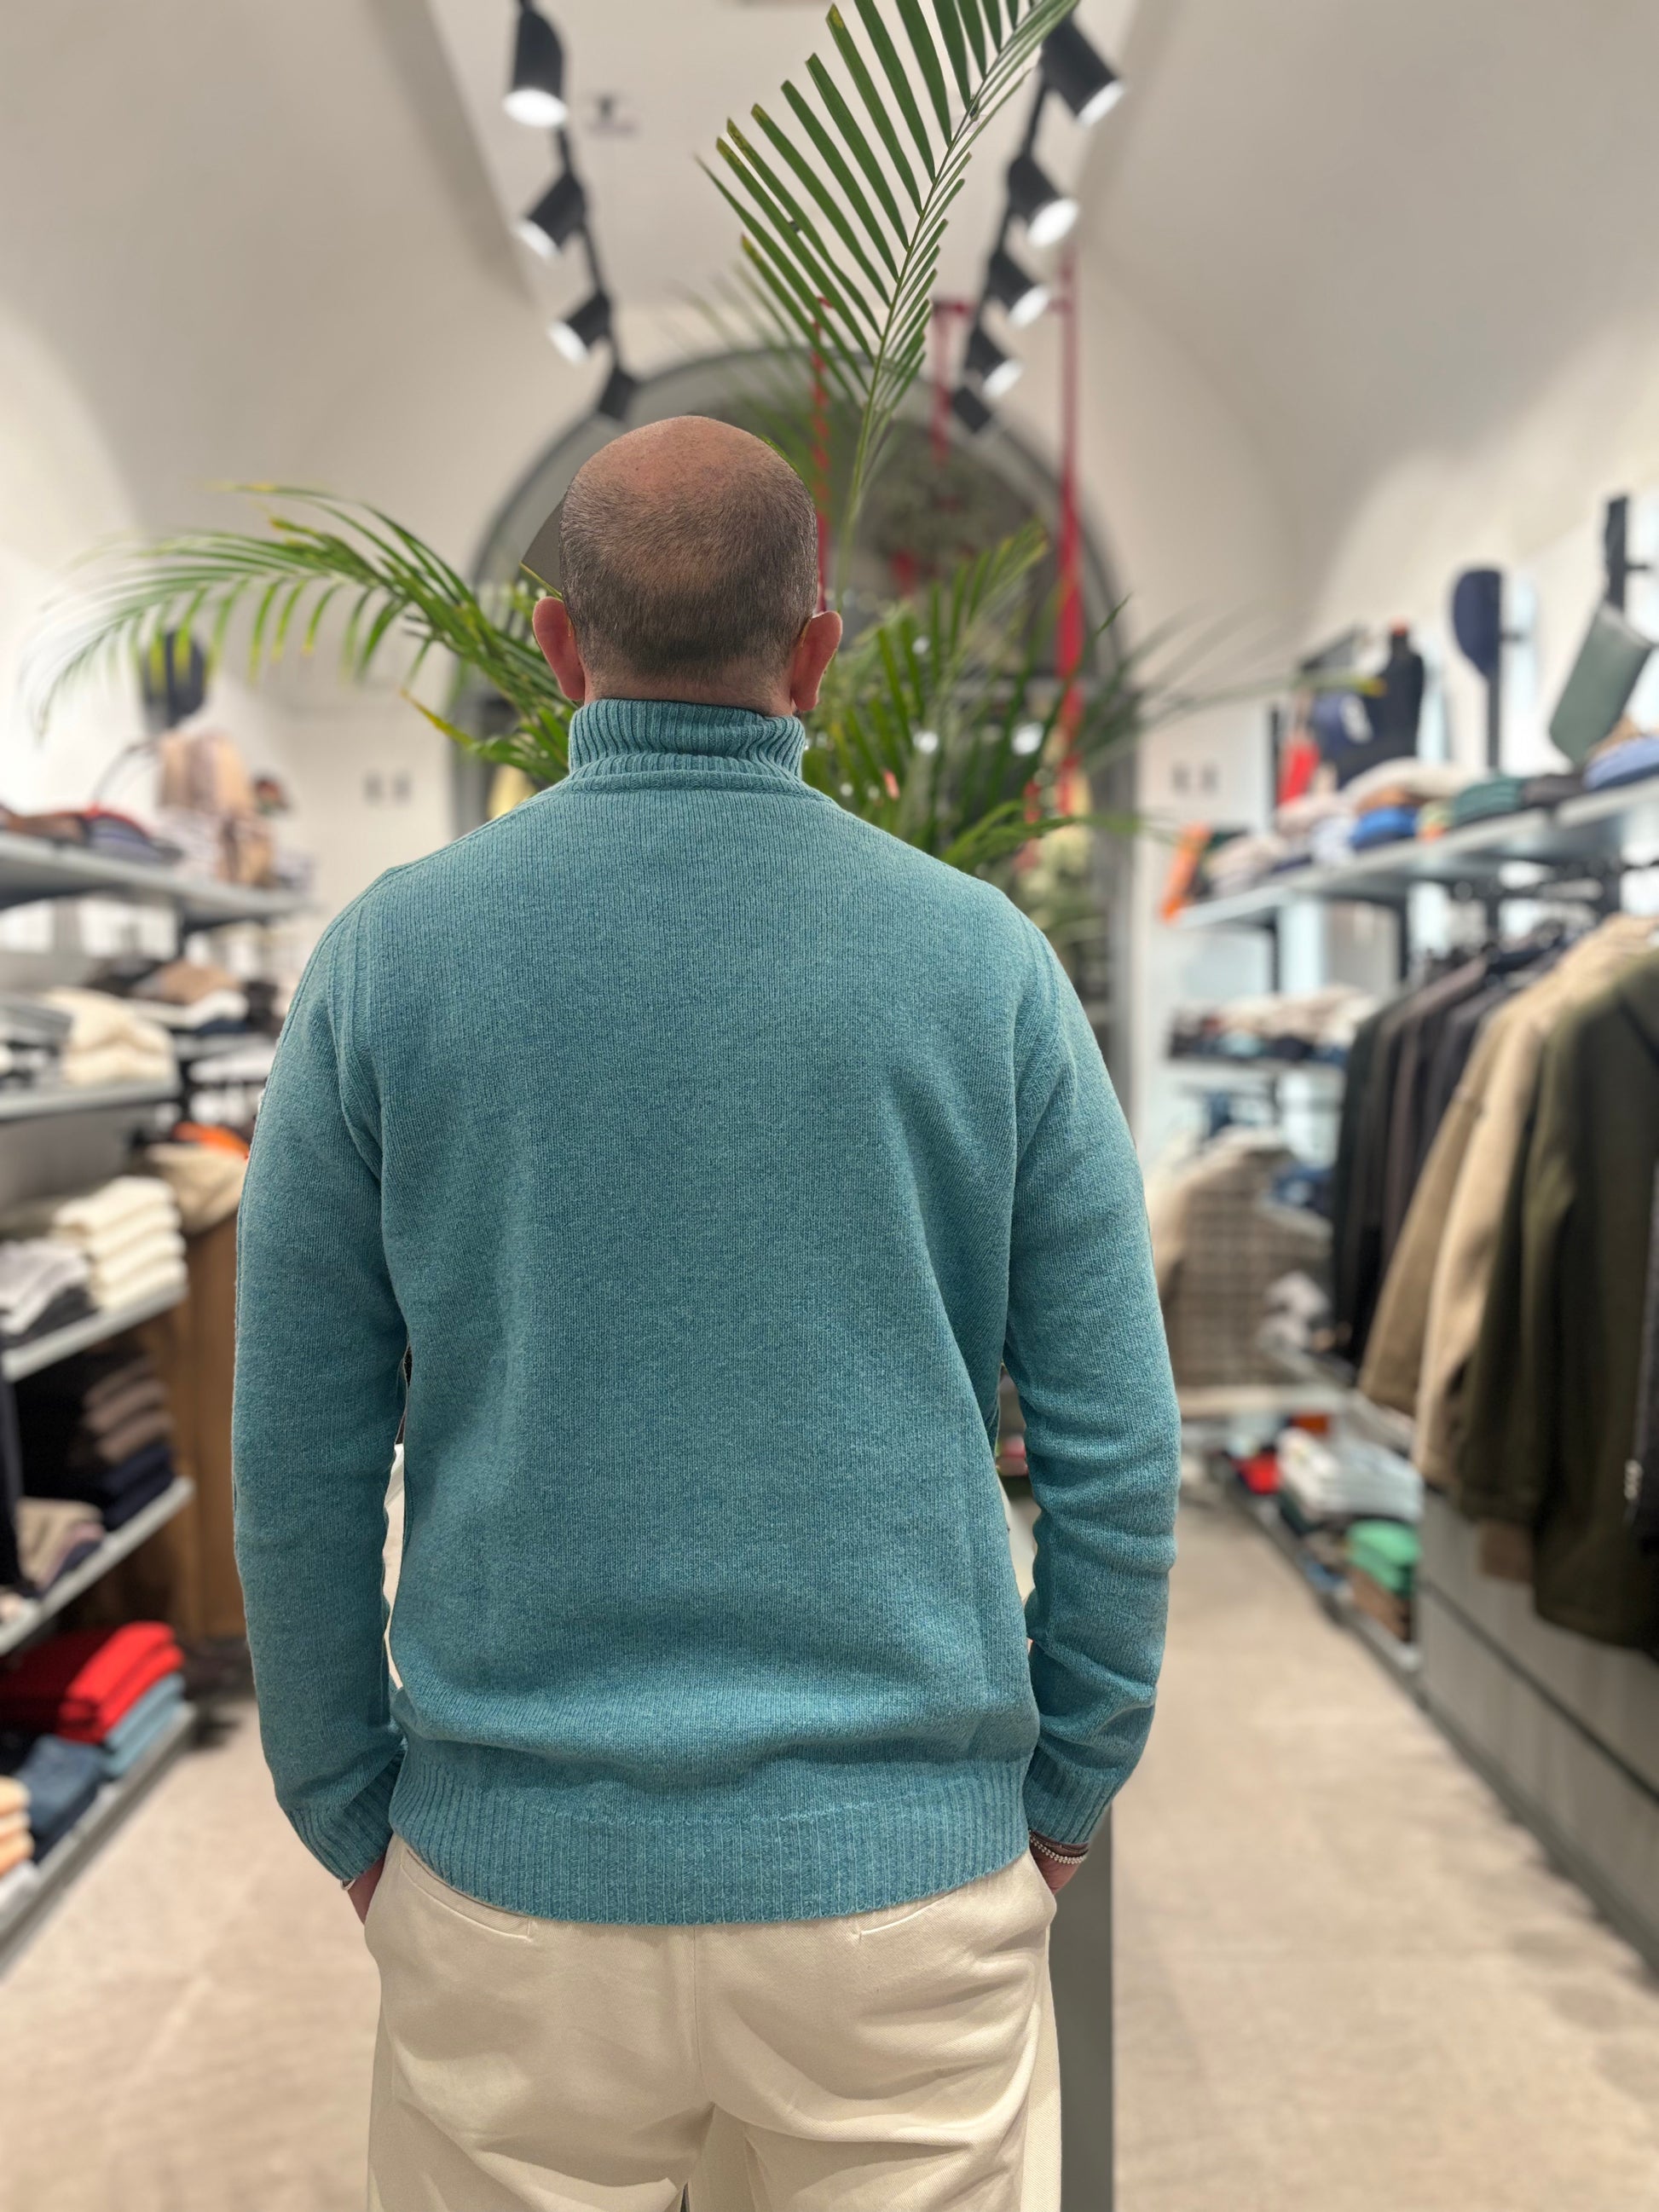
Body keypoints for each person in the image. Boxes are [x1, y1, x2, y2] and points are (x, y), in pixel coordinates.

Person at [233, 415, 1181, 2211]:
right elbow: (1118, 1441)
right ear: (818, 651)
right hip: (904, 1895)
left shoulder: (389, 961)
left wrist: (342, 1798)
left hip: (508, 1892)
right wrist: (1067, 1786)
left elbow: (294, 1451)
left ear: (554, 643)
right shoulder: (981, 961)